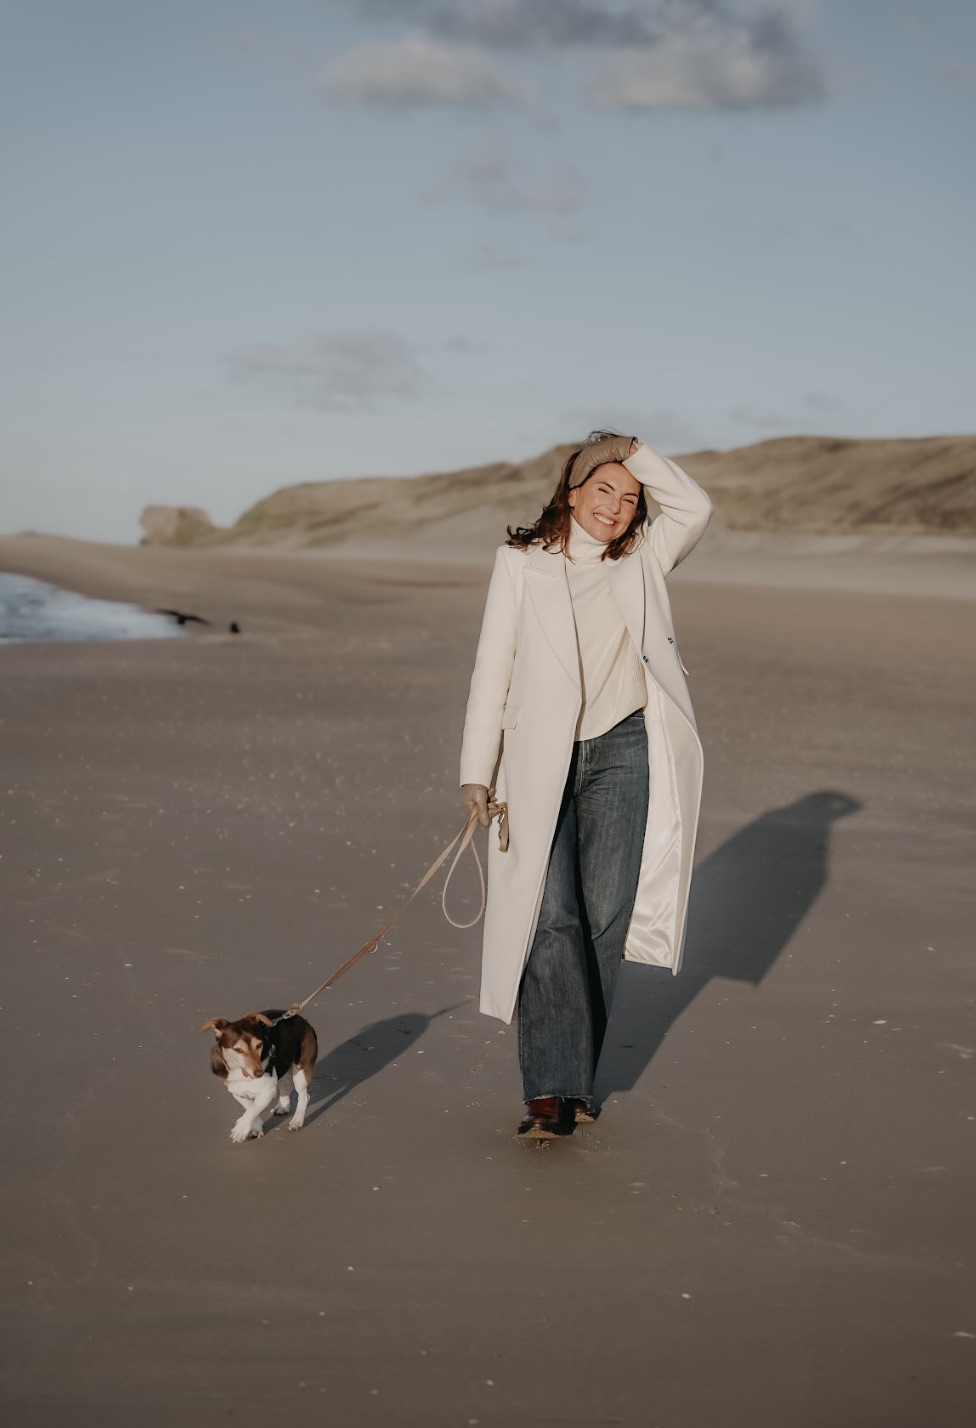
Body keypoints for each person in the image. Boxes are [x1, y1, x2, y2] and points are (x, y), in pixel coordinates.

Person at [458, 430, 714, 1137]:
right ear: (571, 494)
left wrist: (636, 453)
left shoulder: (643, 560)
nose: (617, 506)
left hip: (623, 750)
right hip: (536, 759)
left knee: (604, 917)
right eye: (603, 489)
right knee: (550, 916)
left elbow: (694, 508)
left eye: (630, 498)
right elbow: (492, 669)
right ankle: (548, 1089)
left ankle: (576, 1082)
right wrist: (476, 771)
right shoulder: (519, 564)